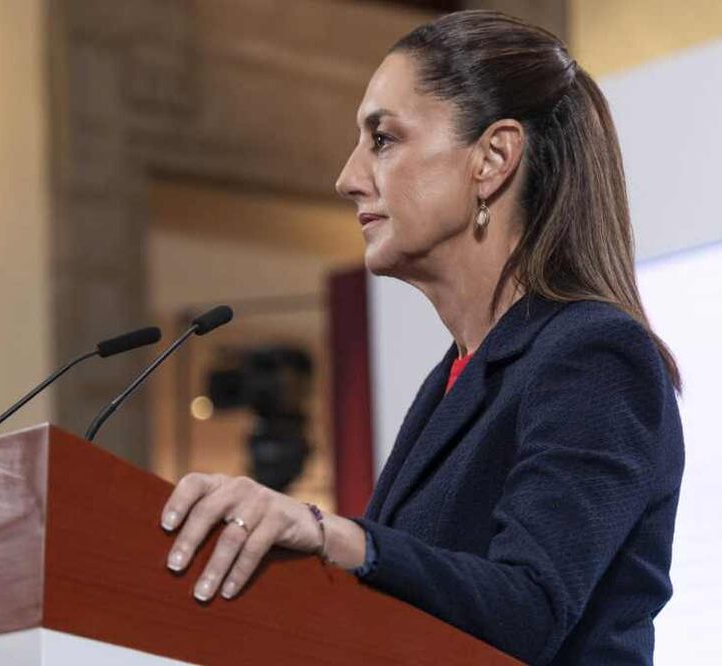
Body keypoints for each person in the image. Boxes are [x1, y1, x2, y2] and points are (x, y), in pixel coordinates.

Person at [158, 10, 684, 665]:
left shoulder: (594, 355)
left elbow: (529, 608)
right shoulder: (455, 376)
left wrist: (332, 534)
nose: (348, 177)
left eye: (382, 138)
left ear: (492, 158)